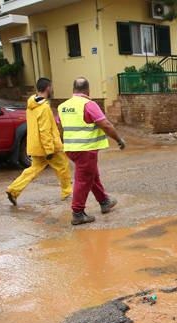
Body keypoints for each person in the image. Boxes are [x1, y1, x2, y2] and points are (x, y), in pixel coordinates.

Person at [58, 77, 125, 225]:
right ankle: (78, 213)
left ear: (73, 90)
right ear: (88, 91)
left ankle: (104, 201)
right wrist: (118, 139)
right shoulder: (89, 105)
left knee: (92, 175)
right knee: (83, 180)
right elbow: (106, 125)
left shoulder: (63, 106)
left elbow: (60, 127)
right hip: (85, 149)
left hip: (70, 148)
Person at [5, 78, 72, 206]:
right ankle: (67, 192)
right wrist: (49, 150)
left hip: (36, 146)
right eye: (51, 87)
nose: (52, 90)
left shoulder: (31, 105)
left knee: (33, 169)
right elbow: (45, 130)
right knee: (63, 166)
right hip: (49, 146)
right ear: (48, 88)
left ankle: (13, 190)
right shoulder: (44, 108)